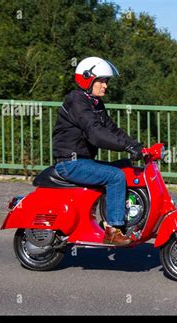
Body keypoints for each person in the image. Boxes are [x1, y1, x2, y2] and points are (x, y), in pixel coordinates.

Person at [52, 57, 143, 246]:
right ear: (87, 79)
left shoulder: (95, 104)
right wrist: (125, 147)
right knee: (116, 176)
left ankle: (121, 218)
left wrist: (137, 146)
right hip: (70, 162)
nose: (105, 86)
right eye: (101, 81)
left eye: (106, 81)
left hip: (84, 161)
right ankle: (112, 229)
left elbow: (112, 130)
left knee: (125, 167)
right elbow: (95, 133)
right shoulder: (77, 101)